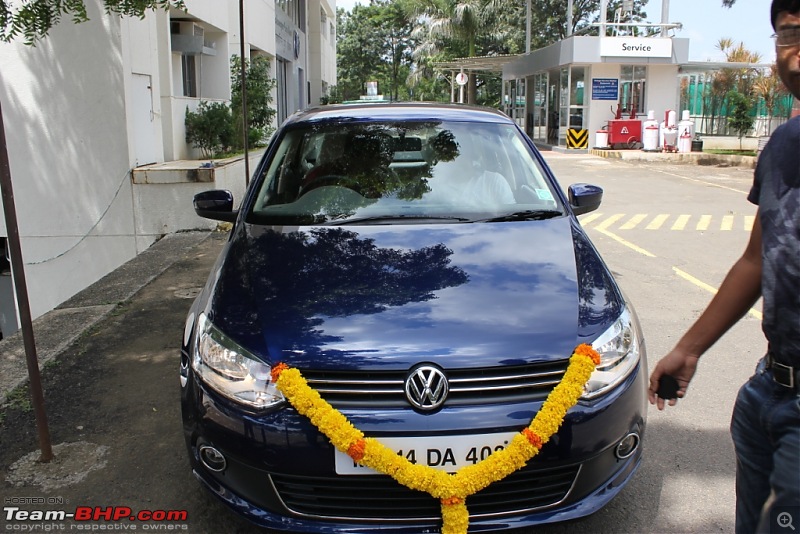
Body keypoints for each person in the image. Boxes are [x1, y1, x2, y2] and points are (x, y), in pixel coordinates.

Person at [648, 2, 800, 532]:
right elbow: (758, 259)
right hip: (769, 389)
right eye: (788, 32)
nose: (797, 53)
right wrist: (688, 349)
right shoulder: (784, 147)